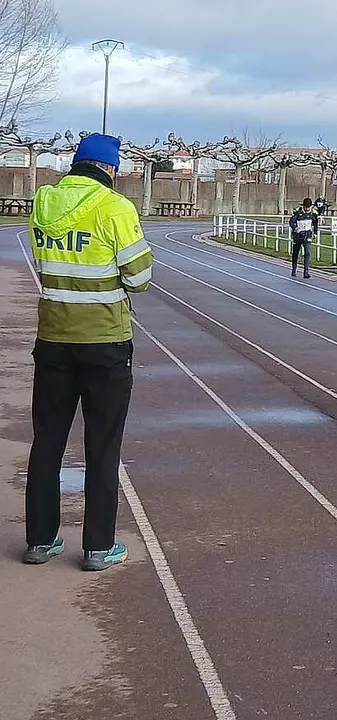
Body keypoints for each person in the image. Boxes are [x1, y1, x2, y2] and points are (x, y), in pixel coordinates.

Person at [24, 133, 152, 571]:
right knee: (103, 444)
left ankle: (41, 540)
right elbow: (139, 279)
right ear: (110, 168)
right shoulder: (116, 208)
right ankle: (98, 547)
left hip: (53, 337)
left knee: (47, 440)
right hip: (104, 341)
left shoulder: (43, 201)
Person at [289, 197, 319, 279]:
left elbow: (315, 223)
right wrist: (295, 228)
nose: (307, 209)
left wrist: (315, 233)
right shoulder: (298, 212)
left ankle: (306, 272)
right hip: (298, 235)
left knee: (307, 253)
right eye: (305, 207)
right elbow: (291, 222)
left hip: (307, 234)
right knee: (295, 253)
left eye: (308, 207)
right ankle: (294, 269)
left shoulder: (313, 213)